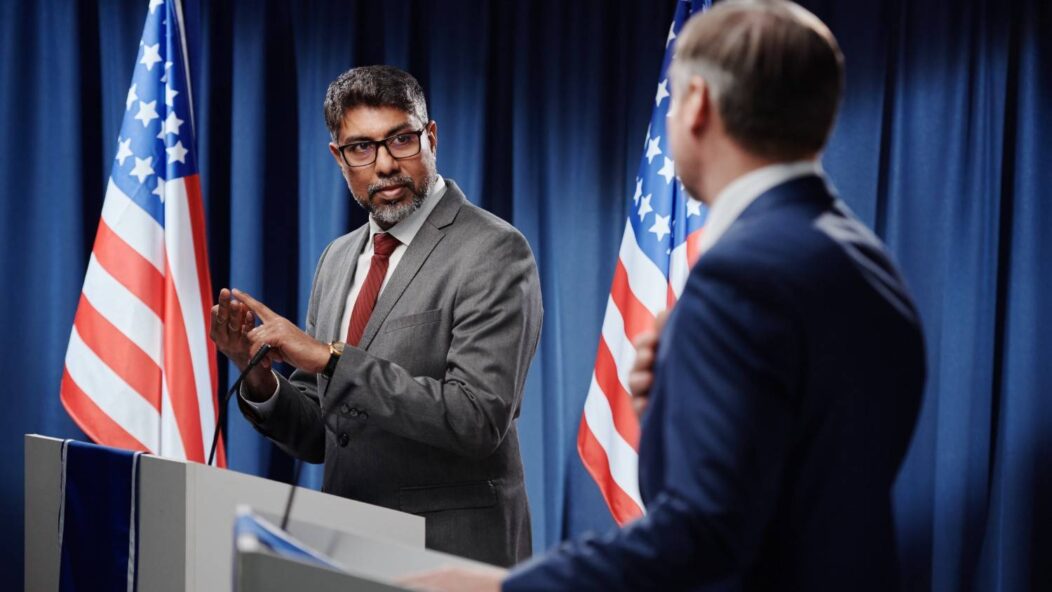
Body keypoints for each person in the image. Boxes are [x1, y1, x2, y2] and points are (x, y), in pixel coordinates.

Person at [401, 0, 926, 589]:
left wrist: (502, 588)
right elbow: (800, 480)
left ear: (696, 102)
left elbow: (706, 537)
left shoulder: (741, 278)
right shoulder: (871, 269)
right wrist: (676, 414)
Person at [209, 65, 543, 567]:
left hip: (453, 555)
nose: (384, 164)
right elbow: (325, 434)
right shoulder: (338, 259)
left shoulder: (493, 250)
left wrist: (331, 358)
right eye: (361, 148)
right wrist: (256, 373)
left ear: (430, 137)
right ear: (338, 158)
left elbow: (476, 420)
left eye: (401, 140)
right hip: (350, 548)